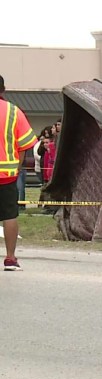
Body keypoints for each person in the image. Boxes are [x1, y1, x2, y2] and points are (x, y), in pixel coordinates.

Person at [0, 74, 38, 271]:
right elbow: (24, 145)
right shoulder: (13, 112)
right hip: (6, 175)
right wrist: (16, 167)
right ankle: (10, 258)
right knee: (9, 215)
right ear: (3, 90)